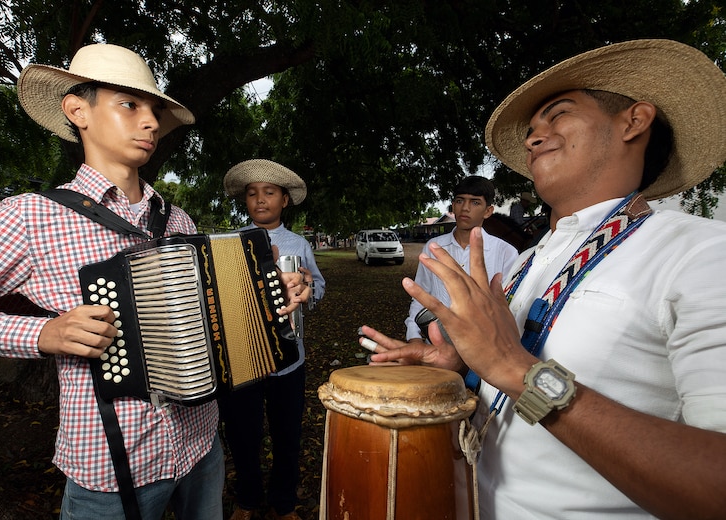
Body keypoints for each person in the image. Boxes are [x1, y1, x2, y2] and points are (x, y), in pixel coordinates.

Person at [361, 39, 726, 519]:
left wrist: (515, 368)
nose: (534, 138)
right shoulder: (525, 262)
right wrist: (460, 366)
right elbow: (498, 379)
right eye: (532, 130)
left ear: (633, 121)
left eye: (558, 114)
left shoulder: (700, 254)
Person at [0, 44, 310, 519]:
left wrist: (271, 297)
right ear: (78, 110)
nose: (152, 122)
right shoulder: (31, 216)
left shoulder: (177, 220)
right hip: (113, 468)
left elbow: (212, 319)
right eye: (129, 104)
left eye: (155, 109)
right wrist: (39, 334)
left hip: (202, 447)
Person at [220, 159, 325, 520]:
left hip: (289, 361)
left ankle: (284, 504)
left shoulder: (299, 244)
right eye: (252, 194)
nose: (260, 200)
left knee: (287, 436)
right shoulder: (230, 243)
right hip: (242, 357)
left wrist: (309, 289)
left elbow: (319, 285)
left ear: (284, 200)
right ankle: (247, 500)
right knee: (242, 435)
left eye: (269, 193)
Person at [404, 176, 517, 343]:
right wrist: (413, 336)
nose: (465, 208)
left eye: (475, 202)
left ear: (488, 211)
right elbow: (421, 295)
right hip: (437, 345)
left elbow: (509, 307)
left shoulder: (505, 252)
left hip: (484, 348)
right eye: (460, 201)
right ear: (453, 206)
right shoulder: (434, 247)